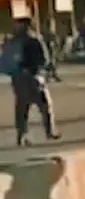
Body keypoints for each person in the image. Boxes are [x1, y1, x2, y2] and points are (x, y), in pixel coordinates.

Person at [7, 18, 60, 146]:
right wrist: (47, 71)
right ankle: (49, 131)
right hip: (34, 76)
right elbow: (44, 59)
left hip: (18, 78)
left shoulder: (12, 41)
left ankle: (21, 136)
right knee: (45, 105)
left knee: (22, 108)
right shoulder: (35, 40)